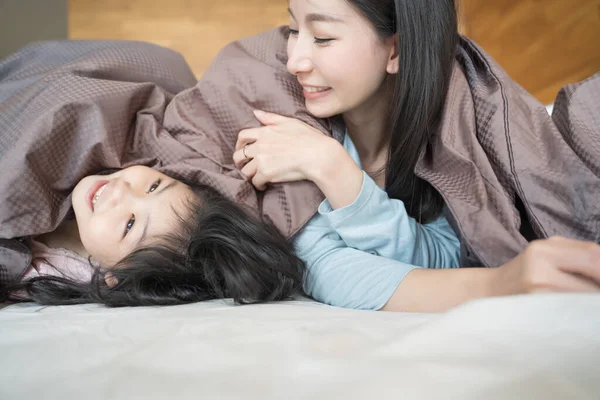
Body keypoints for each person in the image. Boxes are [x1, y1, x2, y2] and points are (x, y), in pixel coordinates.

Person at [233, 0, 600, 312]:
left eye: (323, 38)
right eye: (294, 29)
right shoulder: (282, 113)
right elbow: (321, 265)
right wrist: (499, 284)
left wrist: (335, 170)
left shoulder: (451, 125)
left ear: (395, 50)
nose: (294, 61)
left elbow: (447, 255)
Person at [0, 166, 305, 306]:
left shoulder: (39, 274)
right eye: (154, 186)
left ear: (116, 277)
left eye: (130, 225)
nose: (122, 190)